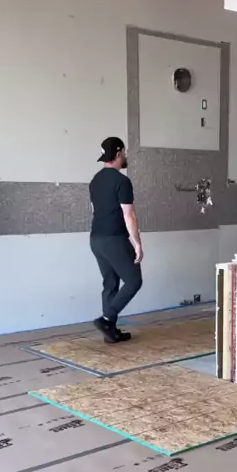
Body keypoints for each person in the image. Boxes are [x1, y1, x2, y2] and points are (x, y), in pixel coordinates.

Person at [89, 137, 143, 343]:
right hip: (114, 239)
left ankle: (110, 332)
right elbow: (129, 215)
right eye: (125, 152)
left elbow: (94, 210)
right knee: (134, 281)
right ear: (119, 153)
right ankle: (106, 319)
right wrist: (137, 244)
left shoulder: (95, 180)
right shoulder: (122, 181)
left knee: (110, 283)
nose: (126, 156)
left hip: (96, 239)